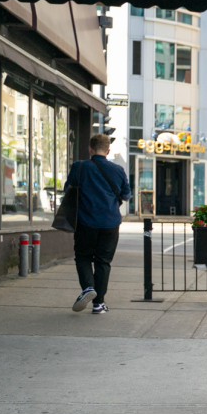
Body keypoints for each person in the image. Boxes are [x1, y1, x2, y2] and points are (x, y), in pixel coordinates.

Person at [67, 133, 131, 314]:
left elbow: (69, 189)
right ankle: (99, 304)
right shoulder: (118, 170)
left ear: (90, 148)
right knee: (103, 262)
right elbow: (126, 196)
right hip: (110, 223)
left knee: (83, 256)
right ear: (108, 151)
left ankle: (88, 287)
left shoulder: (79, 167)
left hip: (86, 221)